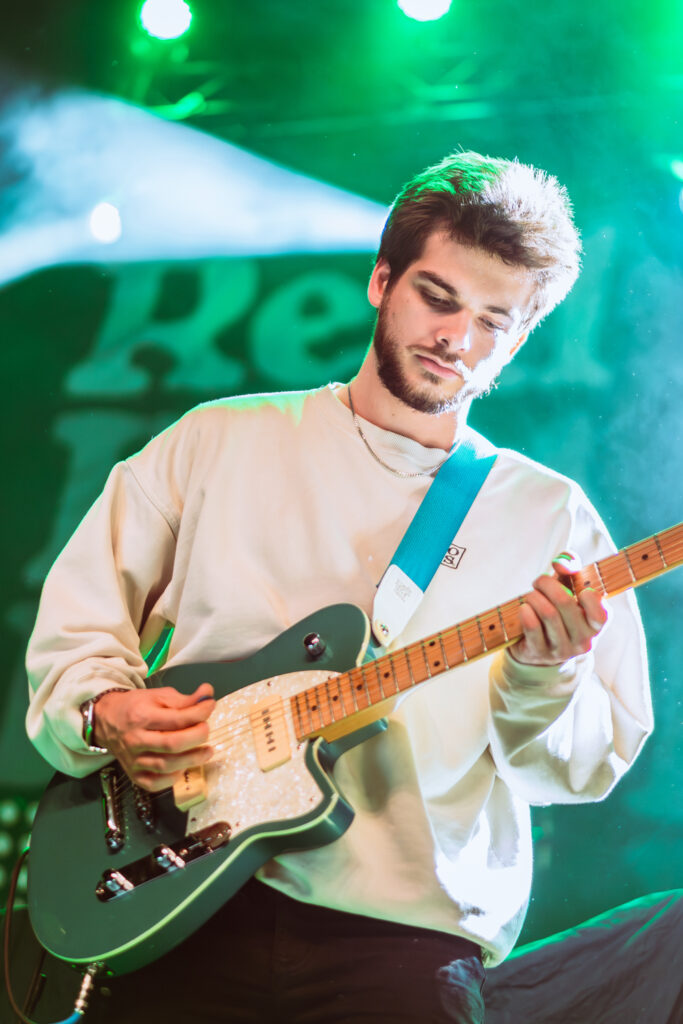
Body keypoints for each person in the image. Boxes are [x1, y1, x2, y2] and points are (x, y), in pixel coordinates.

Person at [25, 151, 652, 1023]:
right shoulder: (218, 440)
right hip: (177, 899)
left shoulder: (550, 516)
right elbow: (79, 626)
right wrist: (105, 712)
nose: (456, 339)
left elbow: (576, 773)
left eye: (492, 322)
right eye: (437, 298)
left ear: (516, 341)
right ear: (381, 280)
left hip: (405, 946)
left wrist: (546, 674)